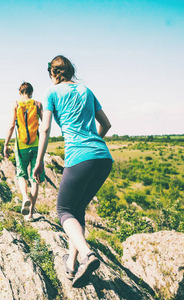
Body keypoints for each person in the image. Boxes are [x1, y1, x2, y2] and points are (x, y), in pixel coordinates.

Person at [33, 55, 113, 288]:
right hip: (103, 157)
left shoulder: (51, 92)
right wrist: (94, 144)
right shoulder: (86, 90)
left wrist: (39, 163)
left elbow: (45, 128)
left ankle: (87, 255)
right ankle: (71, 264)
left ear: (52, 72)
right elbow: (106, 124)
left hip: (79, 157)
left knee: (63, 210)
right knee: (77, 210)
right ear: (71, 71)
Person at [4, 82, 45, 221]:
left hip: (21, 146)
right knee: (35, 179)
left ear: (20, 92)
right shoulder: (38, 105)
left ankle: (25, 197)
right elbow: (45, 126)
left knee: (21, 174)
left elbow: (11, 125)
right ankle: (30, 214)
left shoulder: (15, 104)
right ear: (31, 92)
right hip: (36, 146)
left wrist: (6, 144)